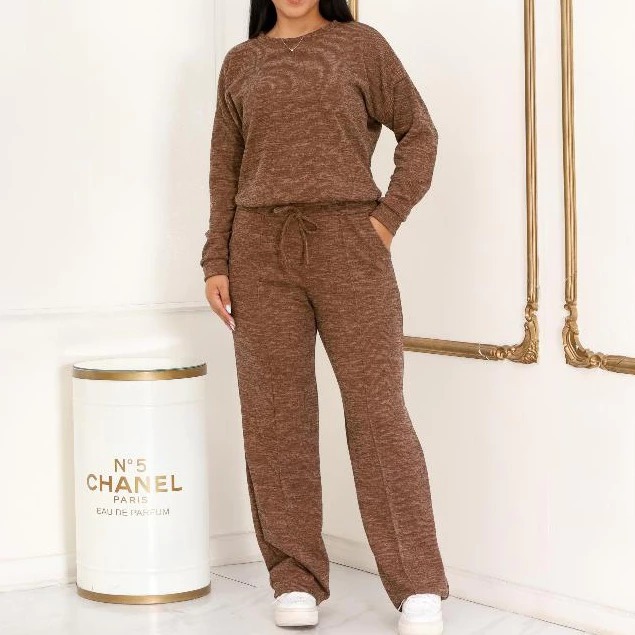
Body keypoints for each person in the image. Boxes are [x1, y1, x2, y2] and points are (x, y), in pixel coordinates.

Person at [201, 1, 448, 633]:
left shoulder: (361, 46)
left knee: (377, 411)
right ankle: (295, 578)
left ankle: (417, 583)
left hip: (349, 243)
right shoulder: (240, 62)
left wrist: (385, 220)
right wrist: (215, 259)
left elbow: (419, 132)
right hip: (258, 250)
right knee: (275, 418)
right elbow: (225, 170)